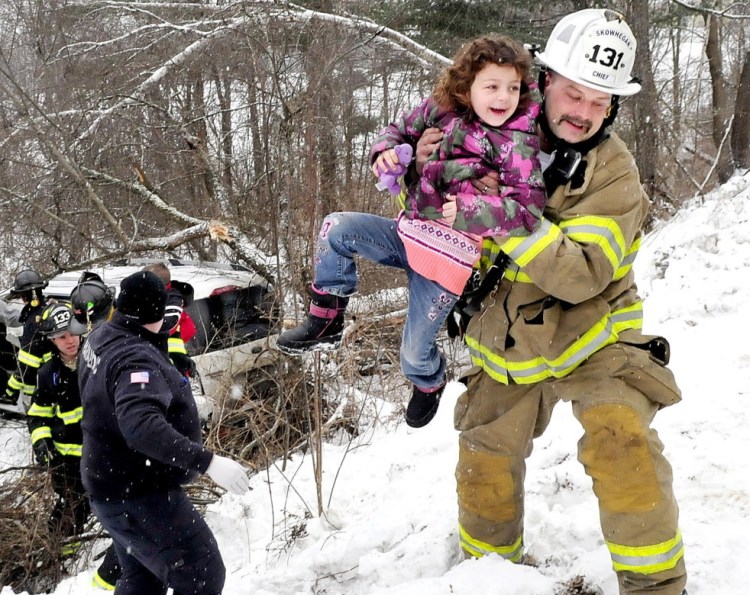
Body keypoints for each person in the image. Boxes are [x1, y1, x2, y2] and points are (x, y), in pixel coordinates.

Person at [420, 10, 686, 595]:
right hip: (505, 337)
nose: (582, 111)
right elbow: (430, 196)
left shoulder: (615, 172)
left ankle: (656, 587)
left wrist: (504, 215)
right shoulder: (493, 125)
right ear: (543, 79)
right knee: (485, 457)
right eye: (573, 93)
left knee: (623, 441)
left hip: (593, 336)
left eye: (600, 101)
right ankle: (489, 576)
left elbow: (582, 273)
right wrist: (418, 160)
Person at [277, 35, 546, 429]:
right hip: (407, 235)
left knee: (412, 355)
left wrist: (471, 210)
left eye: (513, 87)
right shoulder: (440, 110)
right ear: (466, 87)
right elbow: (396, 131)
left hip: (446, 266)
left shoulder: (516, 143)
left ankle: (429, 380)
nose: (503, 97)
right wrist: (386, 152)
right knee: (337, 228)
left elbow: (528, 211)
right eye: (492, 86)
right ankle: (327, 318)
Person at [79, 270, 250, 594]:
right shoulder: (135, 360)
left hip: (112, 485)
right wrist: (209, 463)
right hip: (140, 494)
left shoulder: (101, 336)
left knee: (143, 579)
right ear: (156, 315)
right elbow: (140, 427)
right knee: (203, 572)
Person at [26, 301, 121, 590]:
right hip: (67, 461)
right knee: (70, 509)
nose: (68, 341)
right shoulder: (48, 374)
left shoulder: (98, 361)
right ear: (52, 340)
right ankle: (59, 555)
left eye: (71, 333)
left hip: (105, 455)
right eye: (60, 336)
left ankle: (120, 552)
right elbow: (38, 414)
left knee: (116, 502)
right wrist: (42, 444)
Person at [2, 269, 50, 409]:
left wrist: (9, 391)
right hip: (51, 380)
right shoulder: (48, 312)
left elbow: (27, 366)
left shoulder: (32, 323)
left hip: (37, 389)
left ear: (23, 297)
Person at [141, 262, 198, 378]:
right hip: (165, 353)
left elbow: (165, 325)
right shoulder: (151, 296)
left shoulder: (172, 300)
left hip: (170, 360)